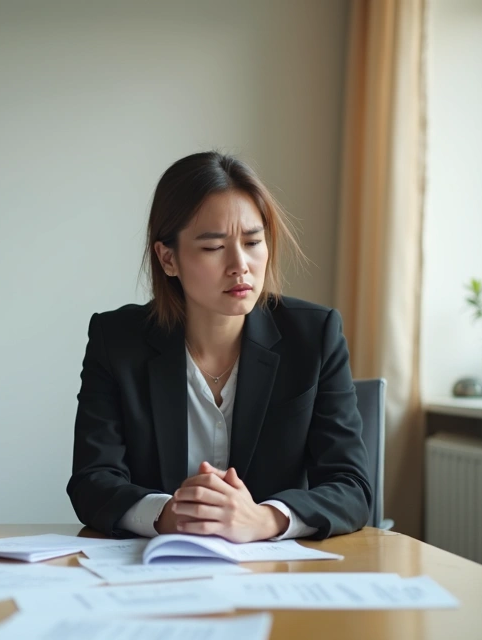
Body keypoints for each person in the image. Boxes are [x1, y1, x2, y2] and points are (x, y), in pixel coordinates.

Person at [67, 151, 371, 541]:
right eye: (213, 248)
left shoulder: (314, 336)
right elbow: (92, 481)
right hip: (157, 566)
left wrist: (264, 519)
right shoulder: (117, 340)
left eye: (253, 241)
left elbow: (351, 486)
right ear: (168, 258)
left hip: (273, 569)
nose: (240, 264)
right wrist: (168, 515)